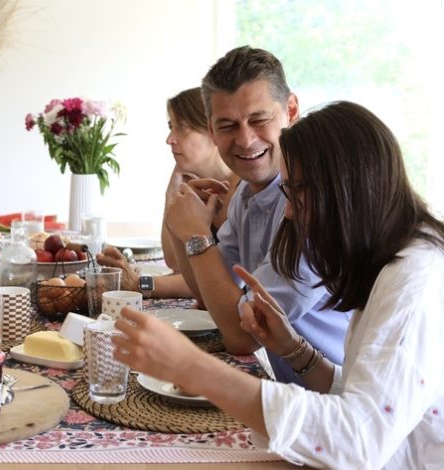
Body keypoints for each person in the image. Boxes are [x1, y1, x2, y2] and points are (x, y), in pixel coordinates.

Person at [113, 101, 444, 468]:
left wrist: (192, 368)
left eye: (298, 191)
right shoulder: (394, 259)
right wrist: (295, 350)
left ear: (348, 189)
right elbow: (365, 402)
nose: (289, 212)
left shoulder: (415, 281)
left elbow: (358, 440)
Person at [163, 46, 350, 384]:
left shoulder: (311, 204)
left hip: (338, 406)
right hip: (290, 392)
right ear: (212, 128)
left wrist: (196, 236)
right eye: (228, 125)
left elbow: (242, 337)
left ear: (291, 110)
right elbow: (212, 298)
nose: (246, 140)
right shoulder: (247, 193)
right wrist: (182, 226)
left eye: (259, 120)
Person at [97, 87, 239, 299]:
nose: (170, 139)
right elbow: (174, 262)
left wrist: (139, 284)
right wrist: (171, 195)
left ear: (213, 131)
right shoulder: (196, 189)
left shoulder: (243, 193)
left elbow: (217, 279)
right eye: (171, 127)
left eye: (182, 128)